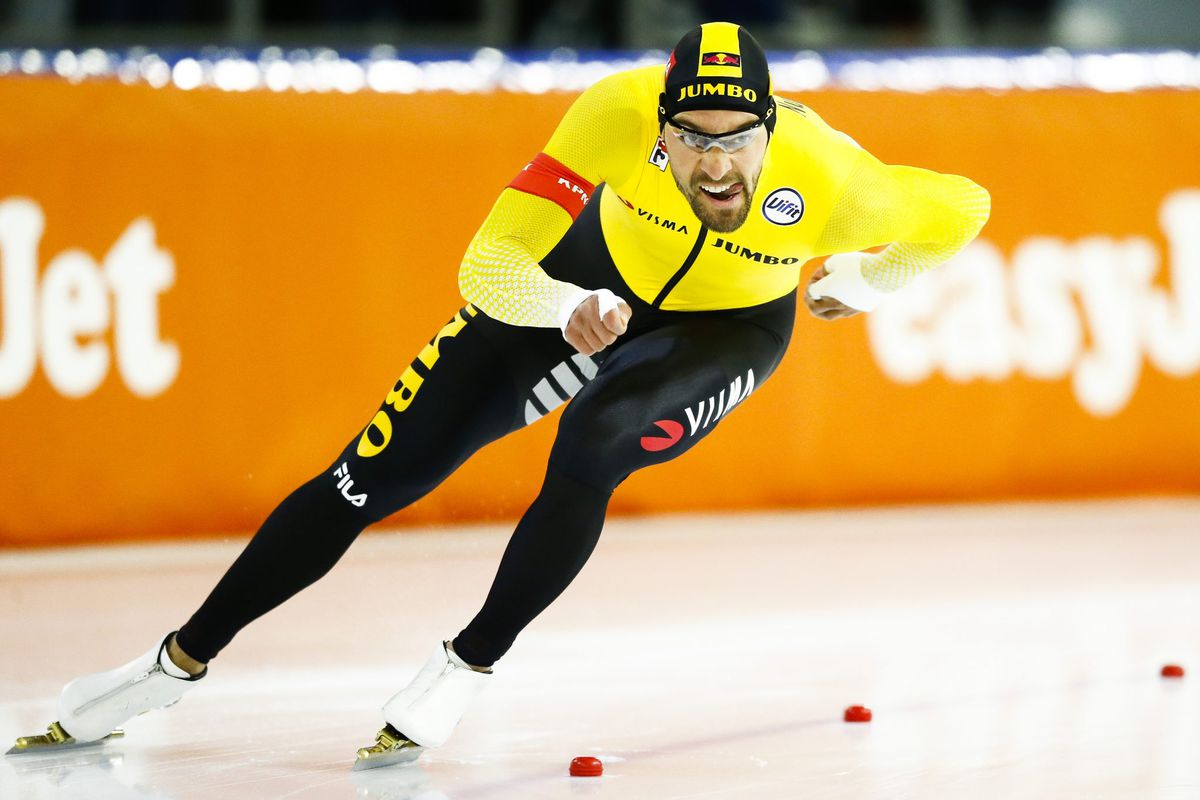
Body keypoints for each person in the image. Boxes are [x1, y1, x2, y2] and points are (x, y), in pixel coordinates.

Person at [8, 22, 990, 769]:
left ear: (772, 129)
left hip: (726, 329)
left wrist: (866, 283)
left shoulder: (841, 182)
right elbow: (488, 264)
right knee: (368, 476)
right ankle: (170, 664)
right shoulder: (609, 113)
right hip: (585, 277)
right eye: (691, 137)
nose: (715, 163)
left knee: (595, 443)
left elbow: (963, 209)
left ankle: (465, 663)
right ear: (660, 125)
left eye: (737, 140)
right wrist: (567, 304)